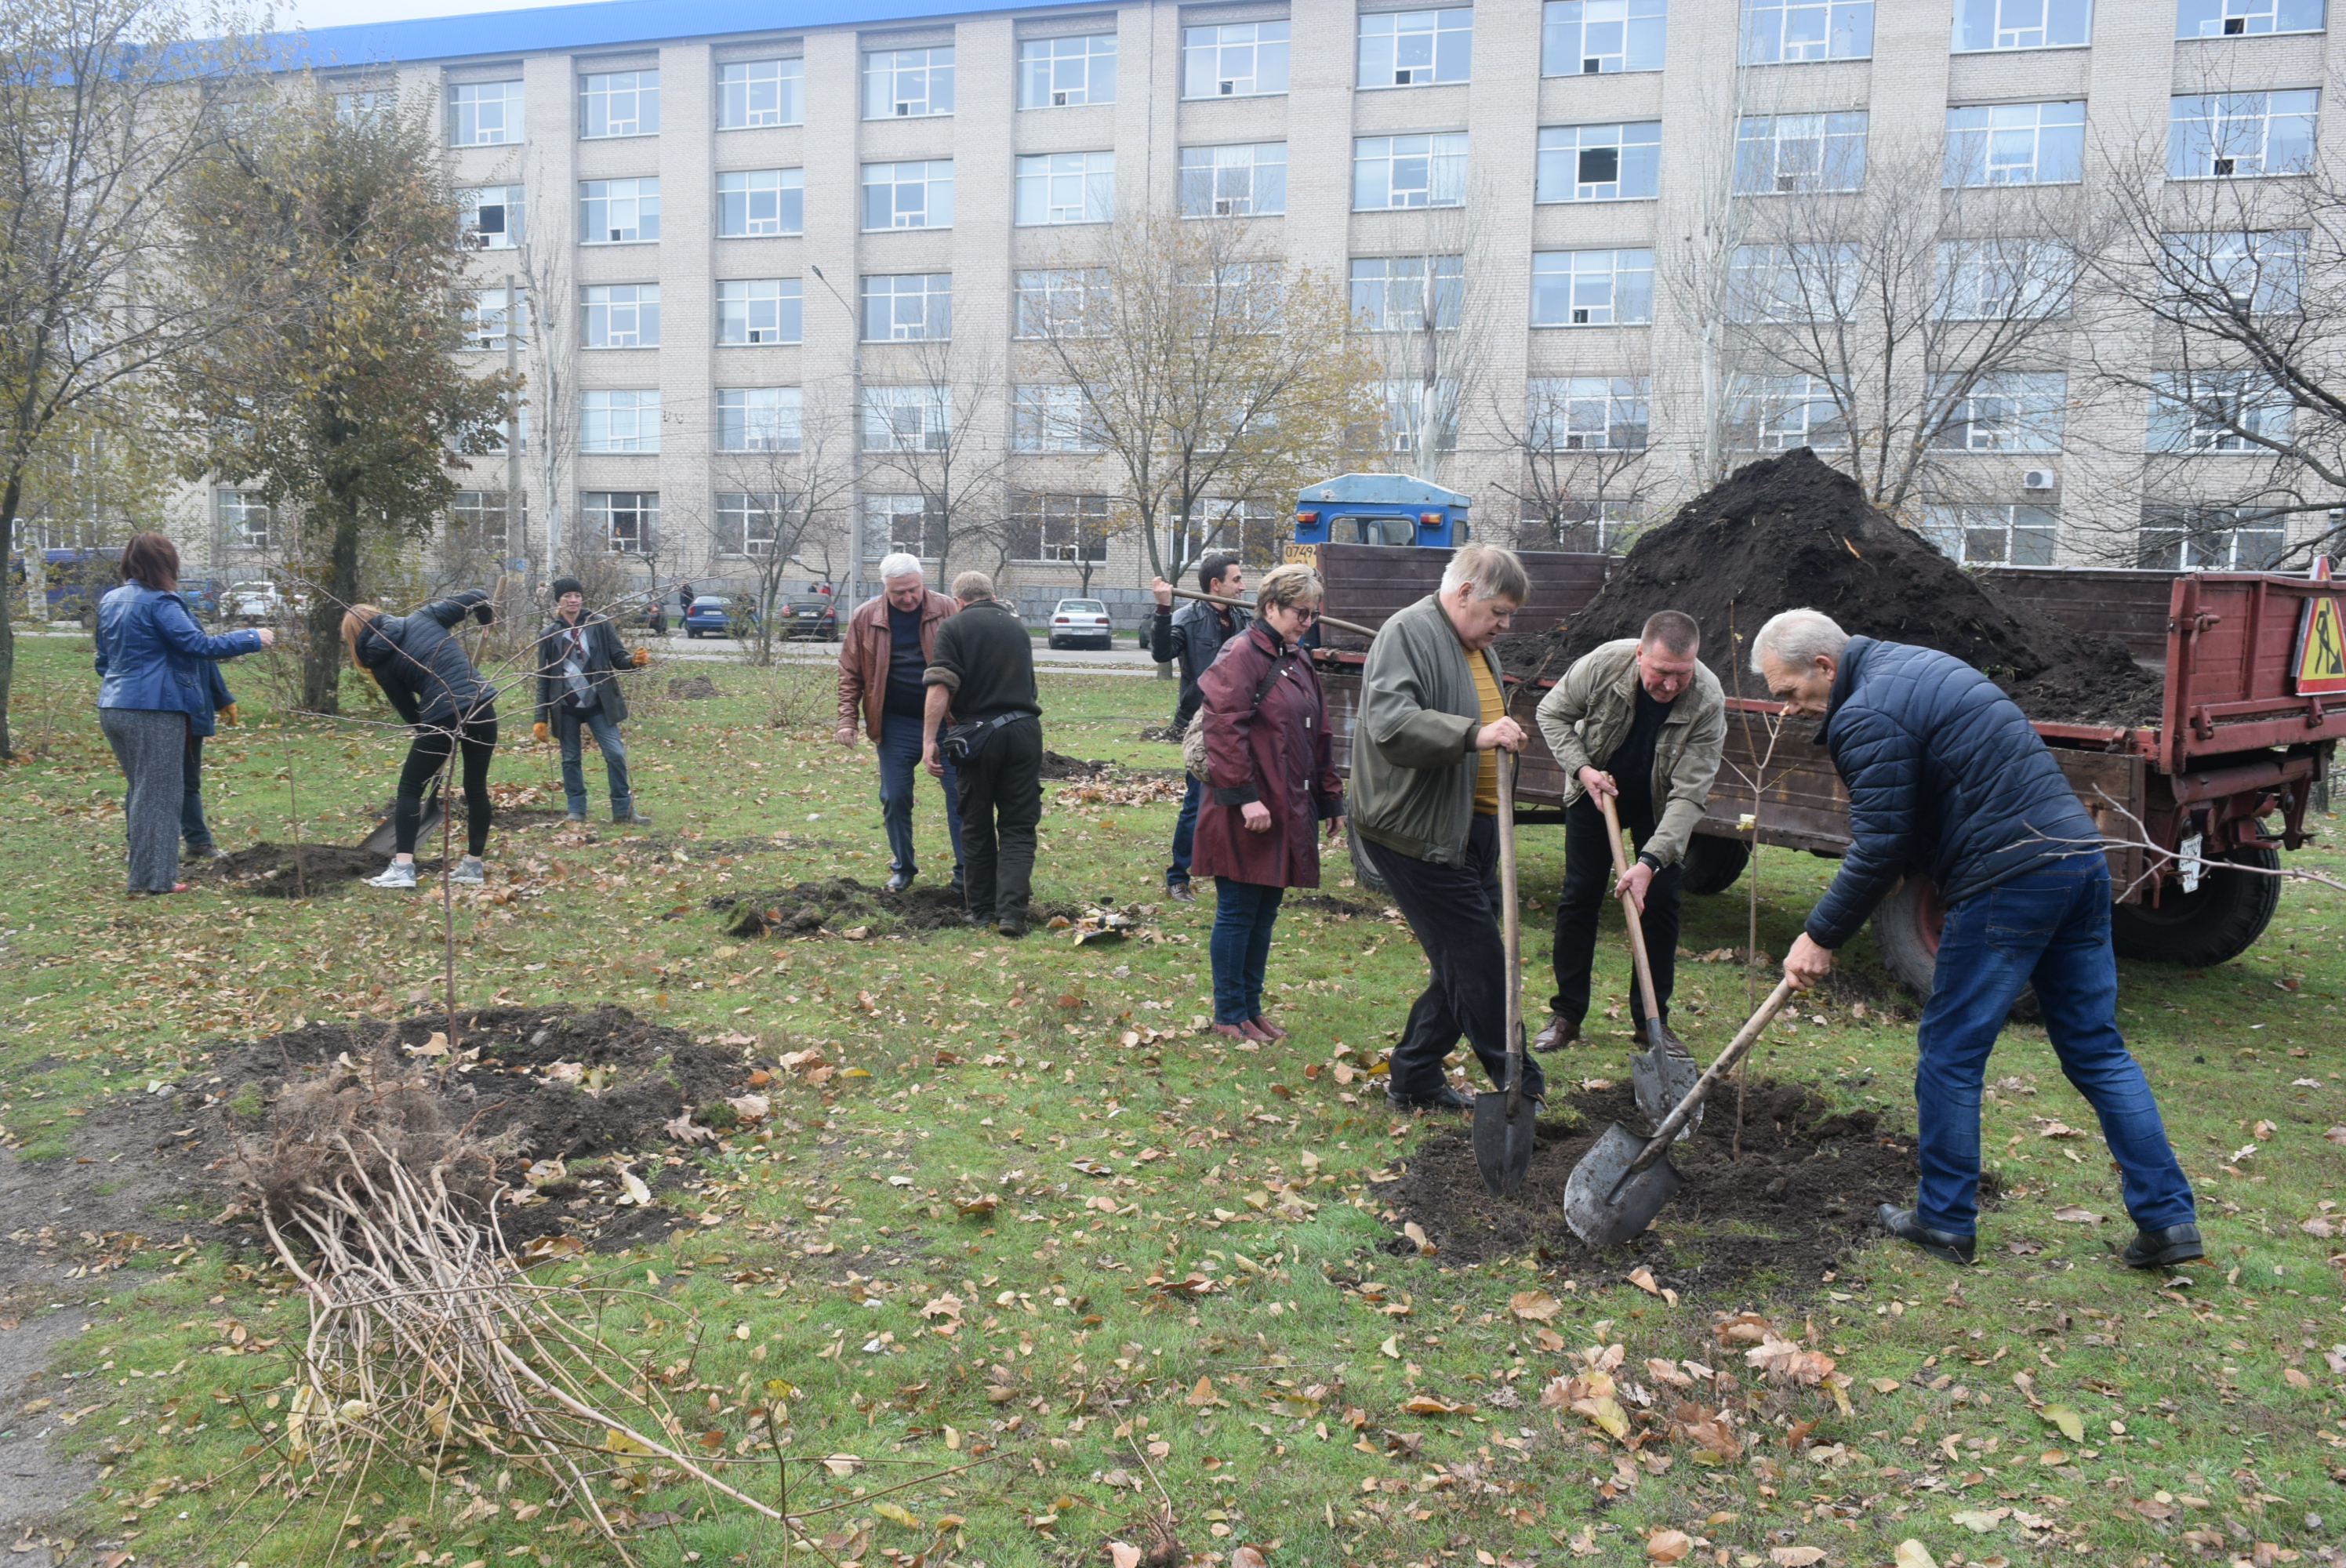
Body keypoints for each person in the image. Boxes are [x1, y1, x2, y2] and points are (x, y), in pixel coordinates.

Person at [1756, 608, 2202, 1270]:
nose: (1789, 709)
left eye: (1791, 692)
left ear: (1824, 665)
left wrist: (1818, 936)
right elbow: (1929, 805)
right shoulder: (1921, 664)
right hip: (2078, 861)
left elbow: (1879, 846)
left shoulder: (1865, 711)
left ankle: (1944, 1221)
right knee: (2096, 1049)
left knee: (1950, 1053)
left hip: (2009, 880)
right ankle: (2169, 1222)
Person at [1349, 544, 1545, 1113]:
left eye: (1510, 616)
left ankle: (1413, 1076)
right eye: (1499, 612)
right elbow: (1391, 724)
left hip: (1470, 829)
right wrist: (1475, 735)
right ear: (1463, 594)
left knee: (1461, 963)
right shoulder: (1407, 633)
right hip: (1416, 831)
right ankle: (1520, 1085)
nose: (1505, 626)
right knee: (1479, 961)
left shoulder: (1474, 645)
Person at [1531, 610, 1726, 1054]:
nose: (1670, 685)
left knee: (1661, 902)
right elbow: (1552, 713)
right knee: (1580, 895)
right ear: (1640, 654)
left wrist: (1650, 862)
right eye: (1661, 672)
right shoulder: (1603, 665)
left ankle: (1651, 1023)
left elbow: (1690, 794)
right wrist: (1582, 769)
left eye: (1682, 674)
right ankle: (1566, 1015)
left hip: (1662, 803)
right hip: (1597, 790)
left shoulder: (1707, 698)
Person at [1190, 564, 1343, 1041]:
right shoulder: (1241, 653)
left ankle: (1250, 1010)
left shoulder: (1296, 657)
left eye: (1314, 614)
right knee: (1239, 911)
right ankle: (1228, 1014)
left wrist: (1330, 799)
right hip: (1246, 809)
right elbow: (1223, 728)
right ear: (1272, 607)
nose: (1308, 623)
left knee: (1264, 912)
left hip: (1286, 805)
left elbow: (1319, 732)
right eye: (1302, 613)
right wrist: (1245, 799)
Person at [93, 532, 271, 895]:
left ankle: (142, 876)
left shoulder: (111, 600)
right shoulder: (161, 602)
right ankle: (157, 881)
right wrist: (253, 637)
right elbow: (198, 645)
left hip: (113, 706)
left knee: (142, 791)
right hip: (155, 709)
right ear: (166, 564)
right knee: (161, 794)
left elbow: (103, 661)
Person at [345, 590, 500, 890]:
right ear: (379, 615)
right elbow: (478, 596)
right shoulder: (424, 617)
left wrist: (435, 739)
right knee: (476, 787)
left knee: (410, 787)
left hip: (442, 715)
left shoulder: (381, 663)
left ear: (354, 640)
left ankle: (403, 869)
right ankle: (473, 865)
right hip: (482, 704)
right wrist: (486, 620)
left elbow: (411, 714)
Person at [921, 572, 1042, 938]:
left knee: (976, 824)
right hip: (1024, 732)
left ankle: (982, 910)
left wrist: (930, 739)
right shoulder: (1017, 628)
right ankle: (1012, 915)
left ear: (958, 601)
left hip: (978, 738)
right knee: (1018, 827)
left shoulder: (953, 627)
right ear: (992, 595)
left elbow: (940, 686)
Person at [837, 553, 964, 893]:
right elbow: (850, 672)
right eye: (898, 592)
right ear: (885, 587)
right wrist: (847, 719)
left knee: (960, 795)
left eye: (913, 589)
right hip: (895, 723)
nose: (908, 598)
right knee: (895, 797)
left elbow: (972, 662)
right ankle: (903, 867)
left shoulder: (947, 609)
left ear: (922, 582)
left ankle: (966, 872)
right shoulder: (866, 616)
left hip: (948, 723)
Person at [1149, 553, 1251, 902]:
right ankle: (1178, 878)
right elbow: (1161, 653)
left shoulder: (1244, 618)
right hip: (1204, 724)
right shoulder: (1187, 618)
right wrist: (1163, 609)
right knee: (1197, 803)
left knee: (1243, 799)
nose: (1243, 586)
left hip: (1243, 722)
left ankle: (1236, 872)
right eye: (1237, 580)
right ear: (1216, 585)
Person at [532, 576, 653, 827]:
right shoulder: (549, 634)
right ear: (558, 601)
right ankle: (576, 809)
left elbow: (618, 657)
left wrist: (633, 662)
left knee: (616, 754)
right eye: (567, 596)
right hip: (565, 707)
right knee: (570, 759)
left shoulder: (599, 624)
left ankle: (623, 810)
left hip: (599, 705)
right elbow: (544, 679)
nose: (573, 600)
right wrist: (540, 718)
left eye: (577, 595)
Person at [182, 661, 241, 862]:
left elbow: (202, 654)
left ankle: (198, 843)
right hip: (152, 712)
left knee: (188, 783)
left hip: (191, 714)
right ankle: (138, 846)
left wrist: (221, 697)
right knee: (146, 783)